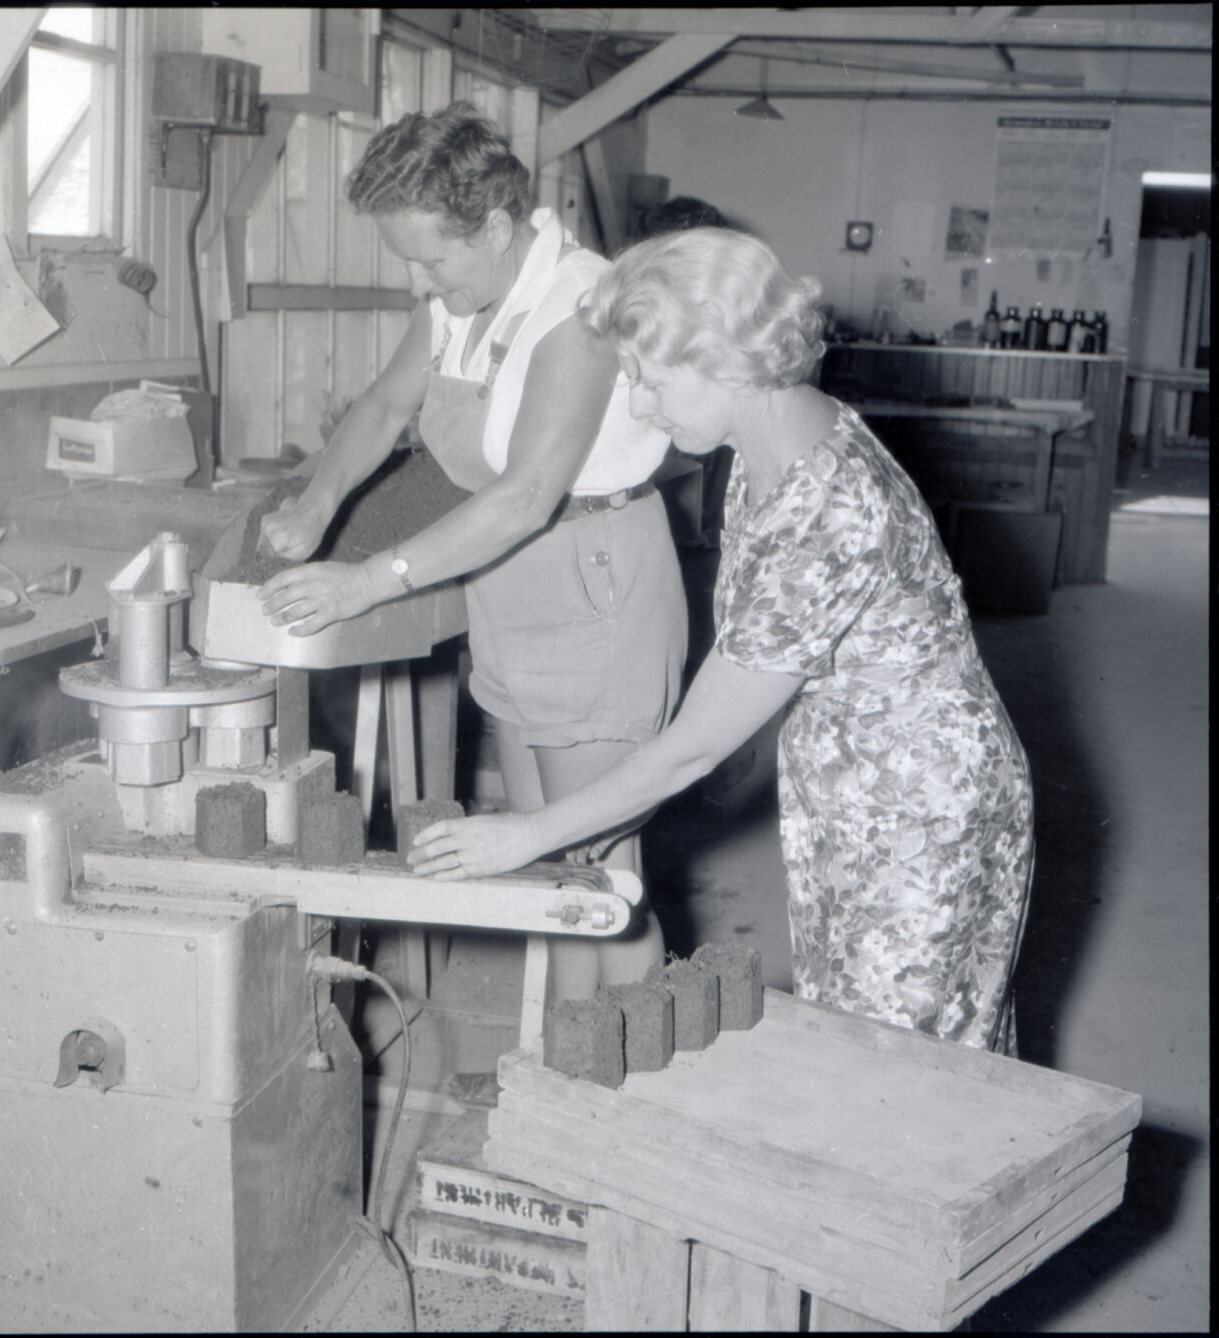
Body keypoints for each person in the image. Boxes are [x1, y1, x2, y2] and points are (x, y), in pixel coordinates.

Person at [409, 227, 1035, 1052]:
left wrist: (527, 833)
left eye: (650, 380)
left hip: (916, 811)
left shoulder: (827, 508)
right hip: (854, 786)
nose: (636, 405)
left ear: (727, 363)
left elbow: (691, 750)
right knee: (875, 1046)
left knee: (898, 1075)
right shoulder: (767, 438)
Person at [255, 103, 688, 1008]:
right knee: (542, 859)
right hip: (505, 577)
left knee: (600, 867)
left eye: (431, 258)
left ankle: (636, 1088)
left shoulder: (579, 307)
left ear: (495, 228)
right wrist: (315, 501)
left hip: (590, 577)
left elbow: (528, 493)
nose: (419, 281)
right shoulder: (463, 298)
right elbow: (381, 409)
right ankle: (567, 1064)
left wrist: (368, 580)